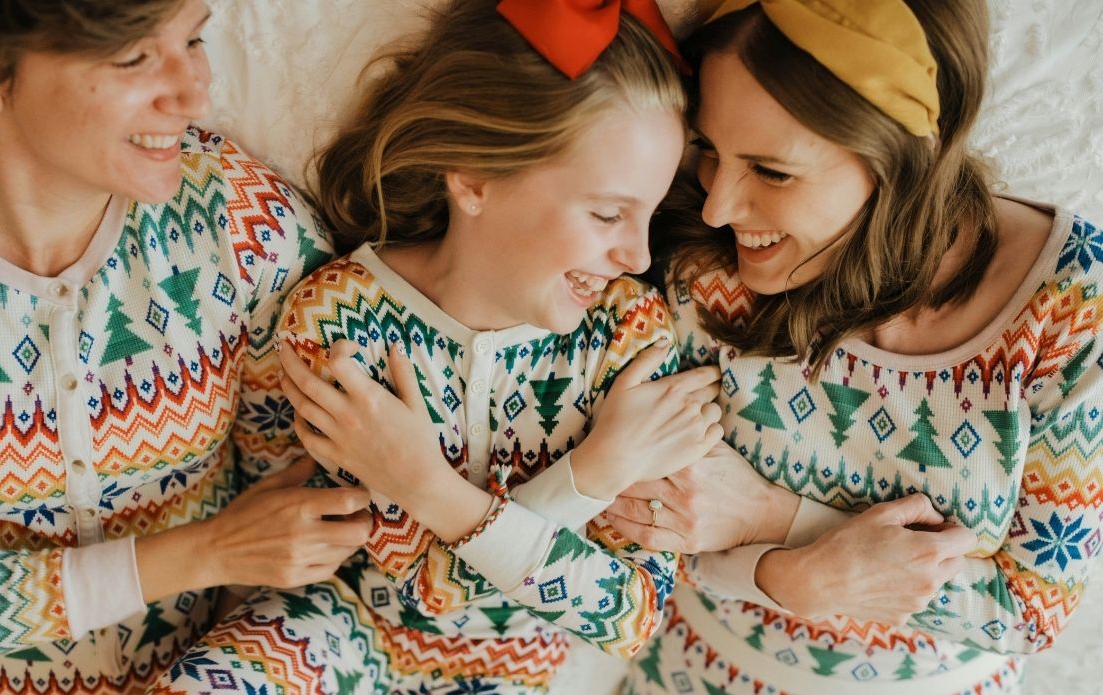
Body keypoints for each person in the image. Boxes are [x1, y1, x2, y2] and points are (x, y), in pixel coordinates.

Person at [147, 0, 729, 692]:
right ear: (475, 177)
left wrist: (425, 485)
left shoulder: (630, 338)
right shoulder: (341, 316)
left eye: (649, 215)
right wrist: (590, 474)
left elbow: (630, 614)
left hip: (518, 663)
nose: (637, 256)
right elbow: (427, 589)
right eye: (607, 213)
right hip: (345, 624)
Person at [0, 1, 373, 693]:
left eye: (193, 39)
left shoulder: (237, 220)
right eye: (134, 57)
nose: (194, 90)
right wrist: (205, 551)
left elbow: (298, 490)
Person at [605, 1, 1103, 693]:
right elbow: (633, 521)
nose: (718, 204)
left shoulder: (1072, 303)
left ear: (901, 158)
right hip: (695, 674)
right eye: (710, 151)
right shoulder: (706, 265)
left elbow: (1028, 610)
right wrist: (790, 576)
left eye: (772, 171)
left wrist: (772, 520)